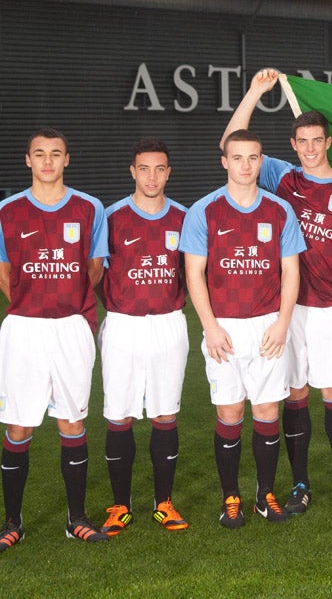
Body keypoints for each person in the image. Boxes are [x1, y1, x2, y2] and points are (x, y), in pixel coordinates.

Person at [222, 68, 332, 513]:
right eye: (301, 142)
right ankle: (300, 484)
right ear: (292, 147)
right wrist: (254, 93)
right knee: (296, 395)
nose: (308, 149)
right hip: (285, 310)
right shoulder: (284, 180)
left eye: (316, 141)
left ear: (328, 143)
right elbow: (232, 144)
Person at [181, 129, 305, 527]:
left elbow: (290, 270)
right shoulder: (204, 210)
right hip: (225, 329)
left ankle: (264, 494)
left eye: (253, 158)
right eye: (237, 158)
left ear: (260, 160)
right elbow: (194, 273)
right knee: (231, 411)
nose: (246, 166)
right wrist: (210, 327)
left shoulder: (279, 210)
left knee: (268, 410)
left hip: (268, 324)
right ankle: (230, 495)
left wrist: (283, 323)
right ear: (225, 162)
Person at [0, 128, 110, 550]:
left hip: (71, 326)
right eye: (40, 154)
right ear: (27, 160)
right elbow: (5, 271)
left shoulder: (88, 208)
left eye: (56, 154)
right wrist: (34, 303)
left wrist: (66, 304)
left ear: (68, 159)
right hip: (24, 327)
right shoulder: (8, 211)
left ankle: (76, 518)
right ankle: (12, 521)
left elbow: (95, 267)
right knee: (19, 424)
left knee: (73, 420)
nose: (48, 161)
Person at [98, 139, 189, 535]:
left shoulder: (186, 218)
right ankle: (120, 506)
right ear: (132, 171)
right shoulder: (111, 217)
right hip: (123, 324)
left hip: (169, 324)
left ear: (168, 172)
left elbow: (195, 273)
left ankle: (163, 503)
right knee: (121, 415)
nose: (152, 176)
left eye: (159, 168)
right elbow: (93, 274)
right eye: (144, 168)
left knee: (165, 414)